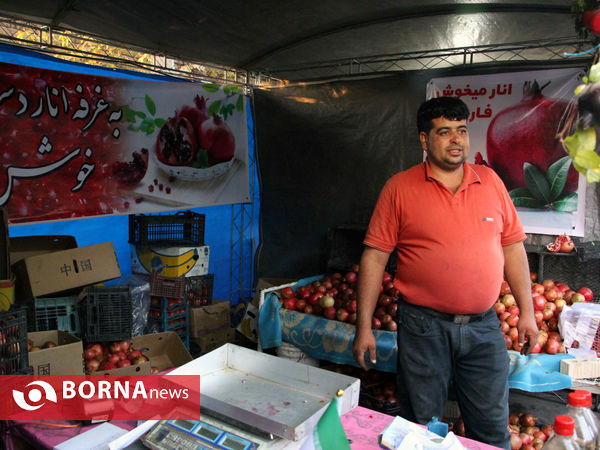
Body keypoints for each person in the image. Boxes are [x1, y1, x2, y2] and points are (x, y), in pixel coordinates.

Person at [351, 96, 537, 449]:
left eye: (462, 131)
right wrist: (364, 328)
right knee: (420, 428)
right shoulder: (399, 188)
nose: (456, 140)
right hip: (423, 327)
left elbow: (512, 247)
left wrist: (527, 311)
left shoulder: (491, 181)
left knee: (492, 428)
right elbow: (374, 258)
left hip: (484, 327)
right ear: (424, 140)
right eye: (445, 132)